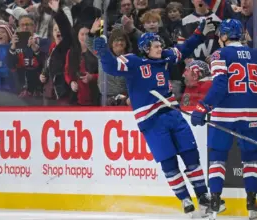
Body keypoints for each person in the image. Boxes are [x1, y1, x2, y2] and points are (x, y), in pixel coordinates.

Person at [94, 18, 225, 216]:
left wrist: (199, 33)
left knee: (191, 156)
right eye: (156, 46)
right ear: (146, 48)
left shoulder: (165, 58)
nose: (160, 48)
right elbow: (111, 66)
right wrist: (100, 43)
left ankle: (203, 197)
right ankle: (185, 199)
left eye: (160, 45)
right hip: (151, 122)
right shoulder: (133, 62)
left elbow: (185, 48)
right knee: (169, 162)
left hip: (173, 114)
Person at [190, 19, 257, 220]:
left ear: (225, 36)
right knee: (251, 157)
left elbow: (220, 85)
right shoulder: (256, 54)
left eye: (221, 34)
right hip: (251, 114)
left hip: (225, 114)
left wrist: (203, 107)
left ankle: (216, 201)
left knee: (218, 156)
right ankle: (252, 202)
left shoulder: (220, 54)